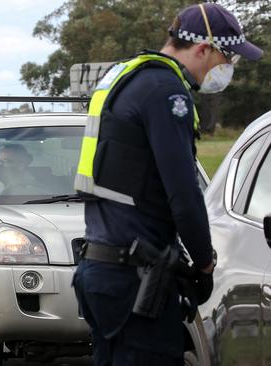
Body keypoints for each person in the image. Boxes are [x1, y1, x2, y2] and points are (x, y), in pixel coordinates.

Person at [73, 3, 262, 364]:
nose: (228, 69)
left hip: (99, 270)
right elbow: (184, 194)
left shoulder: (124, 77)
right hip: (136, 281)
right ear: (203, 49)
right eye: (228, 58)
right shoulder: (166, 91)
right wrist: (205, 264)